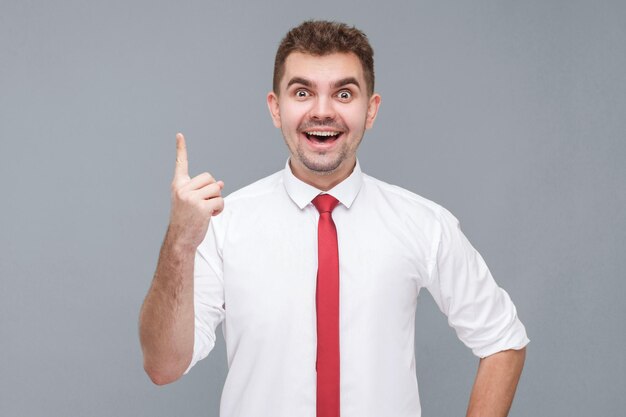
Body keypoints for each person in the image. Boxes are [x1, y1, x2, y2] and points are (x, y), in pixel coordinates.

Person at [139, 20, 529, 417]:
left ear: (371, 110)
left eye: (344, 93)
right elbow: (164, 366)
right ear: (276, 108)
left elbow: (503, 339)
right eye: (303, 92)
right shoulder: (223, 225)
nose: (322, 111)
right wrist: (179, 242)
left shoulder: (424, 224)